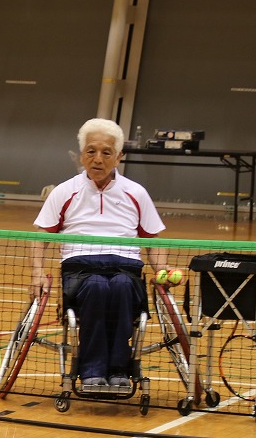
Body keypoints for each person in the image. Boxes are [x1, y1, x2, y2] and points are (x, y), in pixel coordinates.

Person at [30, 118, 170, 394]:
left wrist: (162, 270)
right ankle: (92, 371)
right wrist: (37, 273)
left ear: (119, 157)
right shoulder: (64, 191)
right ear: (82, 155)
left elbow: (154, 240)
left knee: (119, 287)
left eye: (106, 152)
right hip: (80, 268)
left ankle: (118, 370)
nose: (97, 159)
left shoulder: (136, 193)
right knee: (95, 287)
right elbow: (40, 236)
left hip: (125, 267)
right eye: (91, 151)